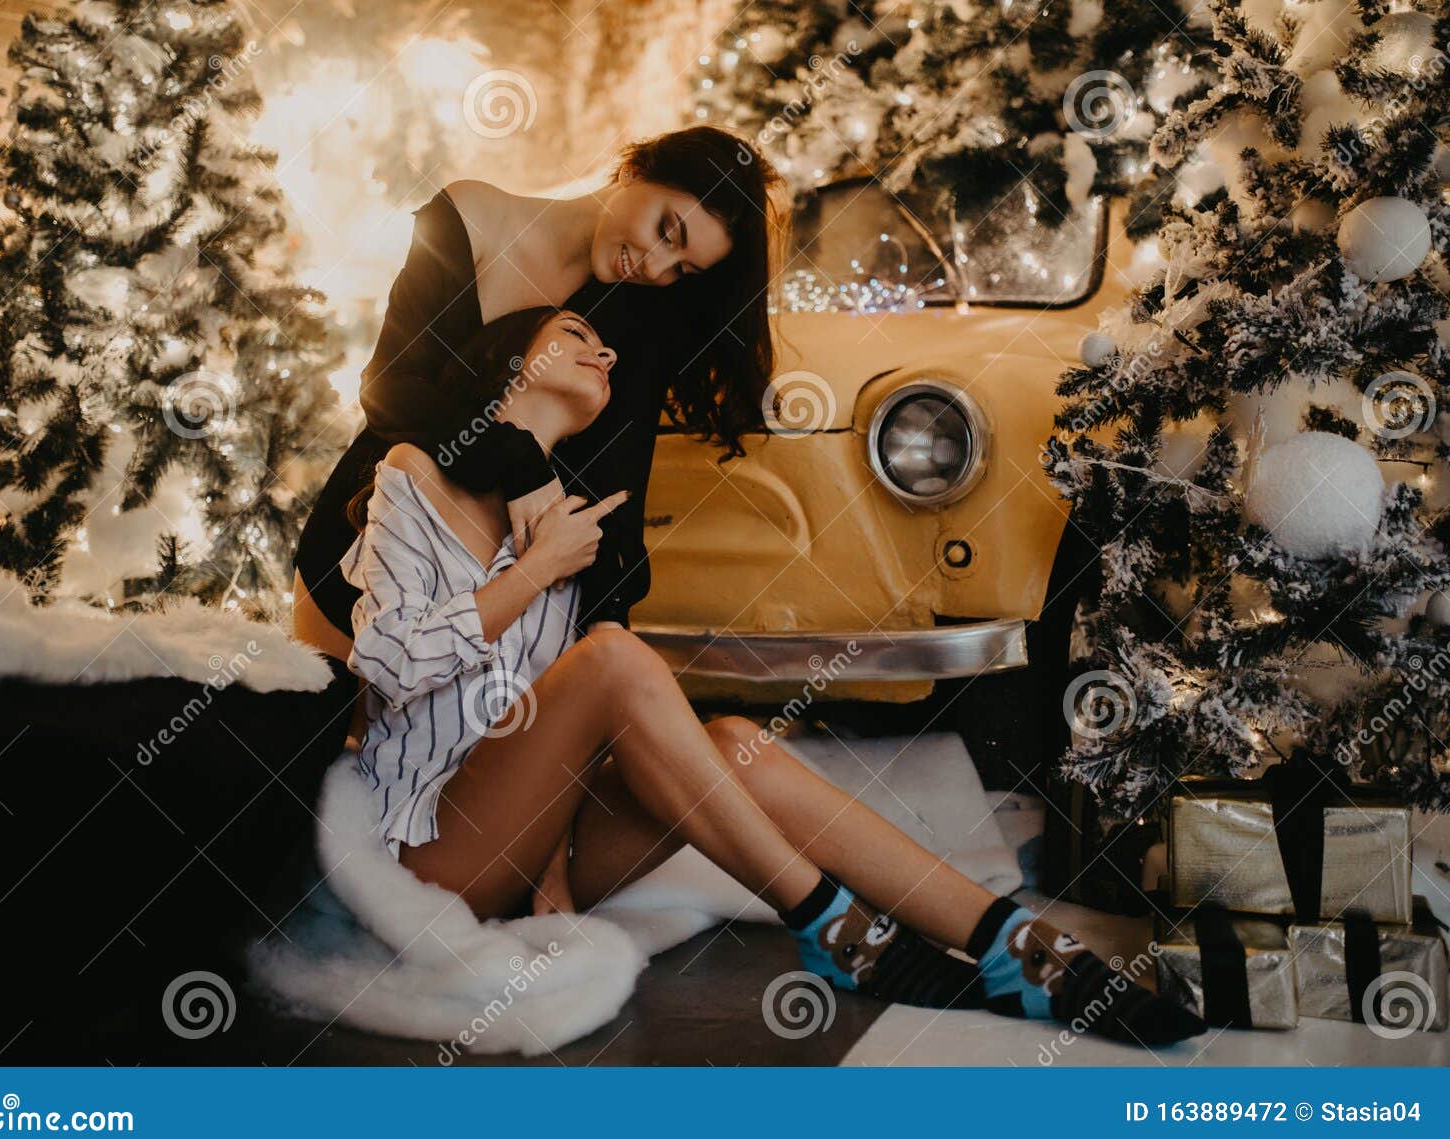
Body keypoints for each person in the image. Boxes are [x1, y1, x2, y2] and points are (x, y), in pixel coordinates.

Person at [343, 305, 1207, 1048]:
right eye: (576, 335)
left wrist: (550, 866)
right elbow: (386, 661)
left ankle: (1024, 948)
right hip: (424, 852)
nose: (605, 353)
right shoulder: (413, 476)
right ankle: (831, 922)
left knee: (736, 742)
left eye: (606, 345)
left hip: (530, 847)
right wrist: (534, 574)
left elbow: (538, 727)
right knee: (609, 657)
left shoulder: (564, 515)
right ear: (508, 363)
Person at [292, 125, 779, 662]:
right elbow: (389, 390)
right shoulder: (472, 216)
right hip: (365, 543)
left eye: (683, 269)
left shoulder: (640, 315)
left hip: (500, 602)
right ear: (637, 169)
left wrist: (608, 632)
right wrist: (517, 460)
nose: (656, 267)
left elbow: (616, 486)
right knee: (327, 732)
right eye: (667, 231)